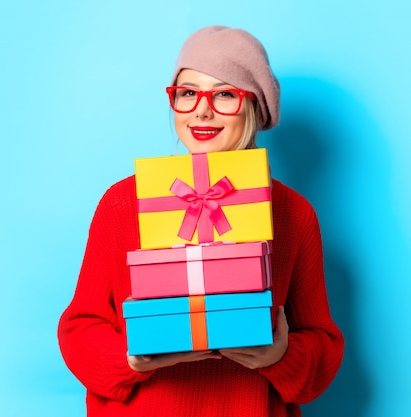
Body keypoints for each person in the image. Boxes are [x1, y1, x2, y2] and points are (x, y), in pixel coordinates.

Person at [58, 25, 344, 417]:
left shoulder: (294, 213)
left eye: (225, 93)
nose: (202, 110)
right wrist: (129, 359)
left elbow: (322, 352)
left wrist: (281, 354)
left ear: (256, 107)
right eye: (188, 93)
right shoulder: (122, 203)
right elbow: (79, 329)